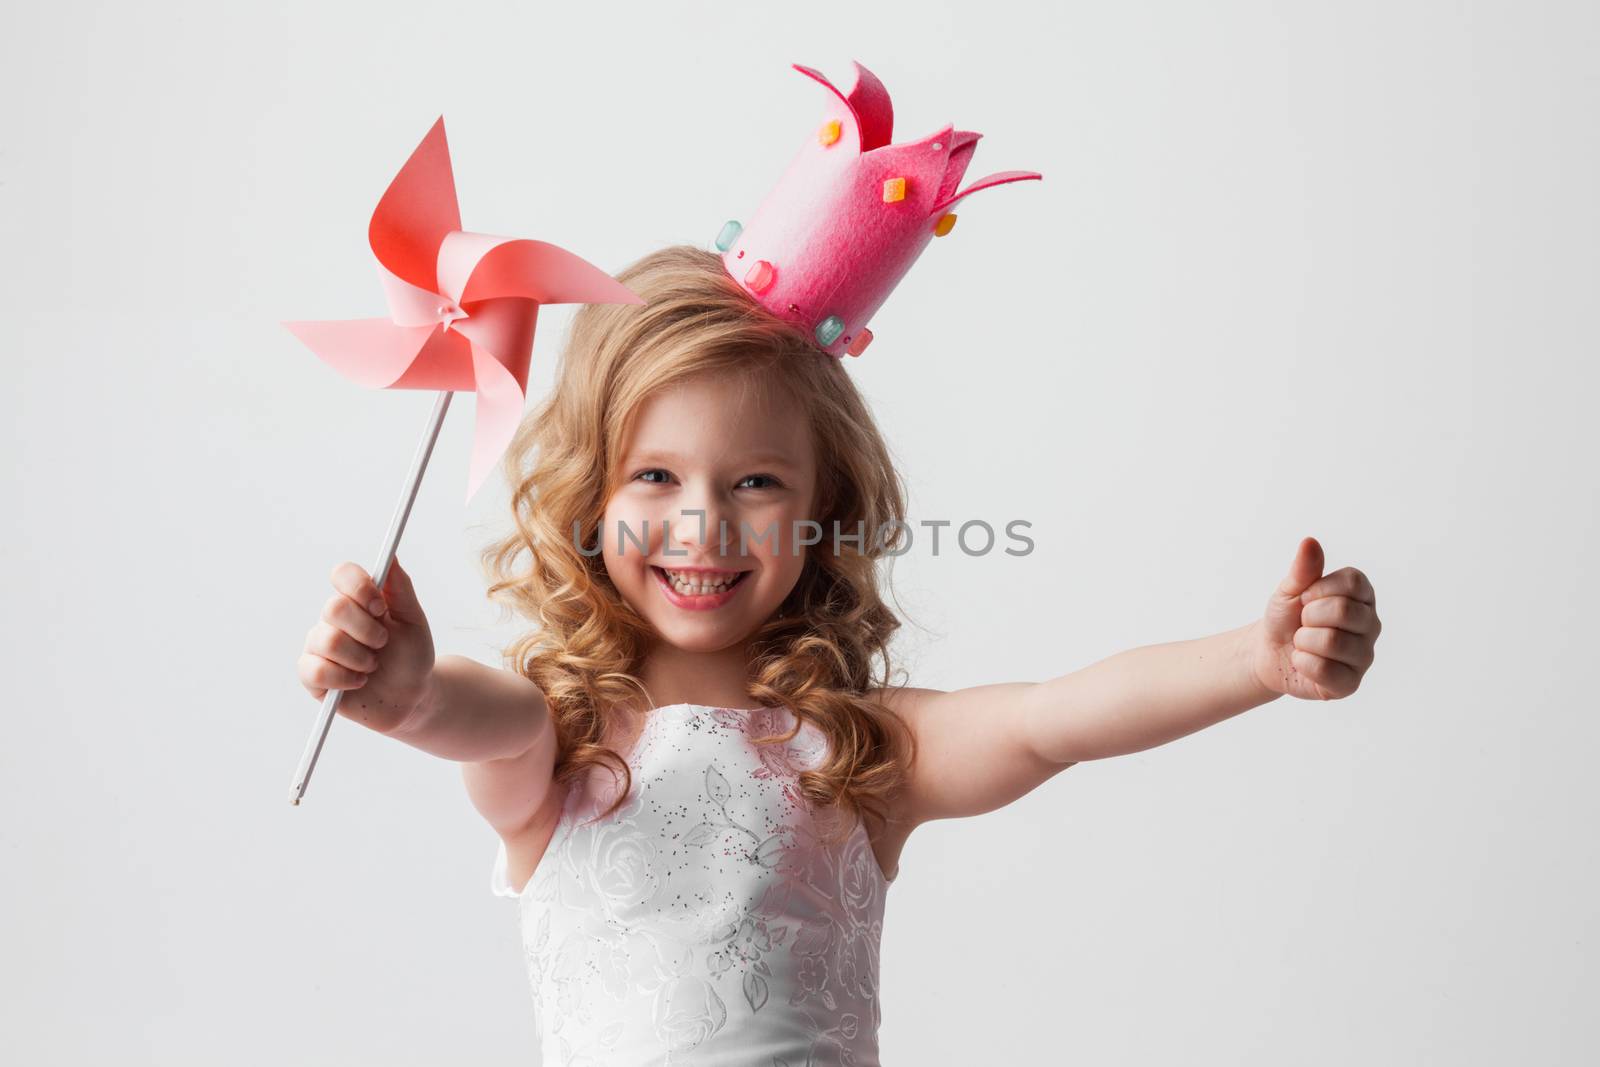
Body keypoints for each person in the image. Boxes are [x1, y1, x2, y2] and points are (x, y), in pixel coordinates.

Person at [296, 62, 1382, 1067]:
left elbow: (1055, 717)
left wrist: (1255, 656)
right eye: (655, 478)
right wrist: (408, 696)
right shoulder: (559, 744)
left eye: (756, 483)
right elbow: (492, 718)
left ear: (825, 508)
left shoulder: (864, 751)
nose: (704, 525)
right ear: (590, 498)